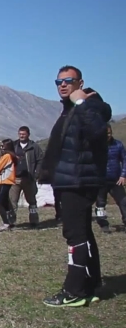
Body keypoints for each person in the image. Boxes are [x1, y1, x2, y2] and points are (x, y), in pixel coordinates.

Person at [39, 66, 111, 307]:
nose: (62, 85)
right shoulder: (69, 109)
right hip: (69, 179)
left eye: (68, 81)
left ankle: (74, 291)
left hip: (79, 180)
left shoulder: (92, 104)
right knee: (83, 233)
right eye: (58, 81)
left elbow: (97, 131)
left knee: (75, 235)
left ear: (80, 82)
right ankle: (91, 284)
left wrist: (81, 103)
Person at [9, 126, 44, 228]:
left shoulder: (34, 147)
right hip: (15, 178)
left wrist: (36, 174)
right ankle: (11, 221)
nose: (21, 136)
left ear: (28, 134)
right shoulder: (14, 146)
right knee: (12, 201)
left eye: (23, 134)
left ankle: (34, 221)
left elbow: (40, 160)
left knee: (32, 201)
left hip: (29, 178)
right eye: (20, 134)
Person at [95, 124, 126, 233]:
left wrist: (123, 175)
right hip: (100, 181)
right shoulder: (96, 146)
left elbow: (125, 160)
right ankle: (103, 224)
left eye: (109, 133)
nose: (107, 135)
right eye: (105, 134)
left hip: (116, 180)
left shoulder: (118, 145)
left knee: (123, 201)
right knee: (100, 204)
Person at [0, 139, 18, 231]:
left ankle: (6, 223)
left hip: (4, 181)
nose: (1, 148)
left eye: (3, 146)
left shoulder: (7, 156)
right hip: (7, 181)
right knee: (5, 202)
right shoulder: (10, 156)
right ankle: (10, 221)